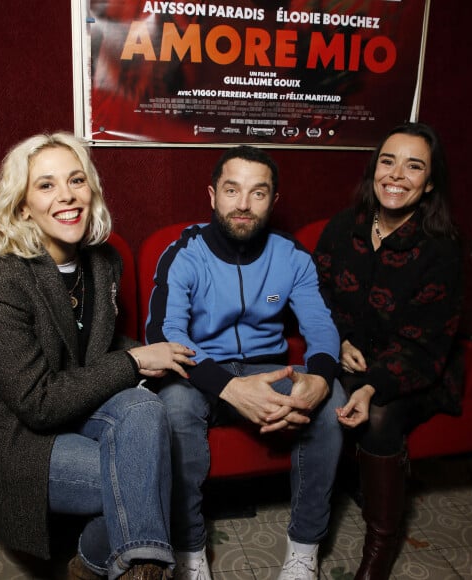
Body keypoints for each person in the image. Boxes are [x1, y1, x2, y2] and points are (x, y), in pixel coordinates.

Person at [0, 132, 196, 580]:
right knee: (141, 482)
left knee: (144, 407)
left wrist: (153, 355)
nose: (67, 195)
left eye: (76, 180)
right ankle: (131, 567)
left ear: (91, 190)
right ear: (22, 205)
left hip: (75, 404)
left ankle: (98, 562)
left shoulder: (103, 262)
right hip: (13, 439)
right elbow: (38, 405)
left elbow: (92, 349)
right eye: (45, 185)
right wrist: (137, 361)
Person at [146, 145, 346, 580]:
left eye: (258, 193)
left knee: (332, 403)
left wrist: (322, 379)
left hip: (268, 368)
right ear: (212, 195)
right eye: (231, 190)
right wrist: (229, 387)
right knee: (174, 407)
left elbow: (321, 324)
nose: (242, 204)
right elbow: (164, 335)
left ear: (273, 201)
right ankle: (190, 551)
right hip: (202, 371)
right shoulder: (184, 251)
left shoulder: (292, 255)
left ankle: (304, 548)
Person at [313, 122, 464, 579]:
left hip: (417, 371)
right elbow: (316, 298)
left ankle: (383, 539)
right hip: (350, 360)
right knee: (318, 388)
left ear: (430, 182)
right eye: (388, 161)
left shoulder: (443, 250)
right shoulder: (343, 228)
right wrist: (335, 341)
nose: (397, 175)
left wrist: (374, 383)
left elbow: (427, 344)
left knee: (377, 414)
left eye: (414, 166)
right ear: (374, 169)